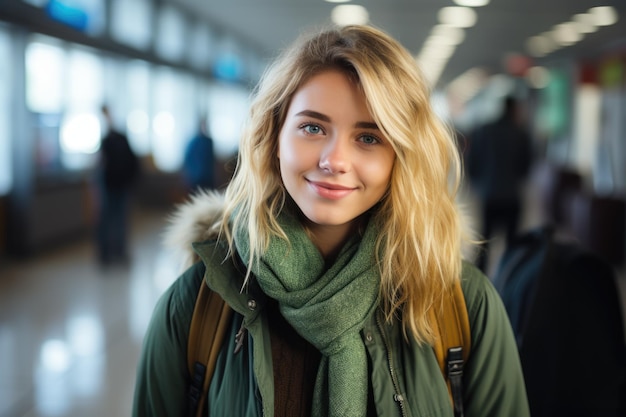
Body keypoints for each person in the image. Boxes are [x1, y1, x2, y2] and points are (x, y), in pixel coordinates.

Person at [132, 25, 529, 416]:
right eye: (312, 127)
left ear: (402, 155)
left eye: (369, 137)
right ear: (274, 137)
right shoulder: (197, 304)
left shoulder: (461, 303)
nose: (334, 160)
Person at [467, 96, 534, 273]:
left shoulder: (485, 130)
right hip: (512, 196)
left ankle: (479, 277)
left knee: (484, 241)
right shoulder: (520, 134)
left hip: (489, 194)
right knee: (512, 245)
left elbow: (473, 161)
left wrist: (479, 182)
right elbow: (526, 167)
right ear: (514, 110)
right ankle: (509, 278)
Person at [95, 104, 139, 266]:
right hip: (115, 186)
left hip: (113, 186)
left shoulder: (110, 140)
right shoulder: (115, 139)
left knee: (113, 220)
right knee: (115, 220)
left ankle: (111, 253)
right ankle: (113, 252)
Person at [183, 116, 216, 193]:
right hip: (196, 178)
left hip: (208, 177)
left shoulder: (209, 142)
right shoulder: (194, 142)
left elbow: (212, 160)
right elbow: (188, 159)